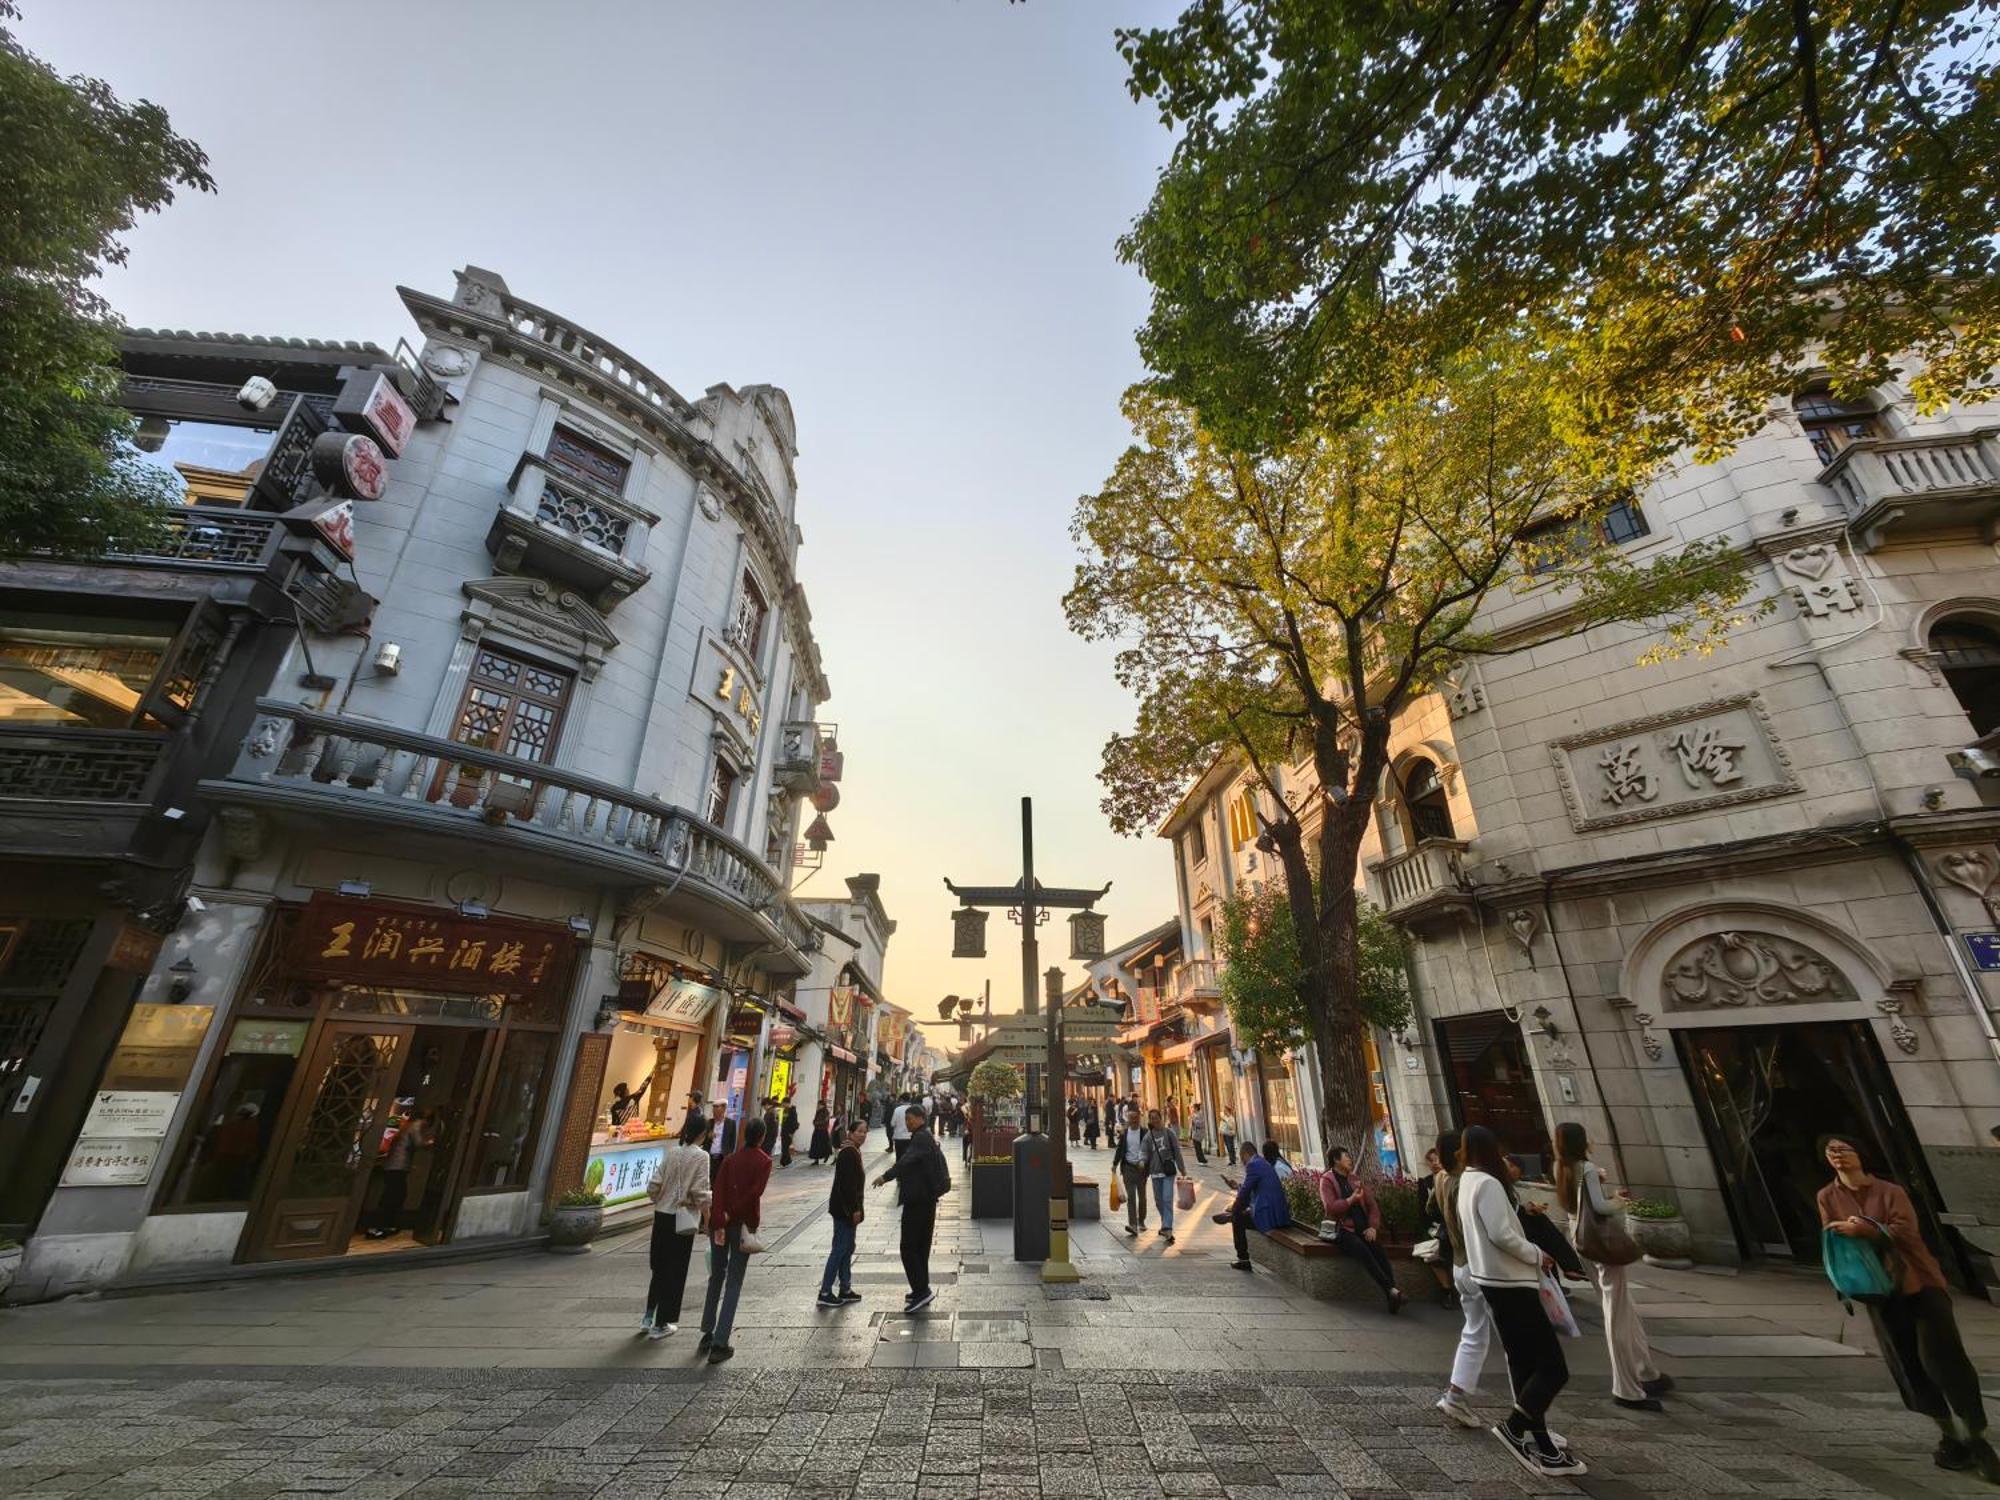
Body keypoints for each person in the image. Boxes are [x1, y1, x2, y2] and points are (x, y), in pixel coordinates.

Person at [1820, 1133, 1998, 1481]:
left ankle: (1977, 1437)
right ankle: (1949, 1434)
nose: (1838, 1155)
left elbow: (1906, 1232)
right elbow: (1829, 1233)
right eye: (1831, 1151)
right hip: (1878, 1289)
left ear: (1861, 1154)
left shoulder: (1890, 1191)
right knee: (1908, 1363)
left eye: (1845, 1149)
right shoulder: (1827, 1195)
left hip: (1920, 1283)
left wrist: (1867, 1230)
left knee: (1944, 1359)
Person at [1458, 1125, 1582, 1479]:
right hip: (1510, 1281)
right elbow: (1500, 1234)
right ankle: (1514, 1428)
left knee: (1525, 1365)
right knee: (1553, 1366)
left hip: (1490, 1281)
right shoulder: (1488, 1183)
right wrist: (1536, 1253)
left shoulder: (1468, 1181)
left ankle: (1543, 1445)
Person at [1555, 1122, 1669, 1414]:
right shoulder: (1586, 1168)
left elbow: (1577, 1203)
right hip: (1601, 1246)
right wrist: (1618, 1200)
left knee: (1621, 1306)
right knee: (1616, 1313)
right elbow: (1600, 1208)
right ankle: (1626, 1388)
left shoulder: (1561, 1168)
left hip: (1581, 1243)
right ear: (1582, 1141)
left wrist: (1597, 1182)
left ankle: (1646, 1371)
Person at [698, 1116, 773, 1365]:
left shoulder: (730, 1159)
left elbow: (717, 1189)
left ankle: (707, 1332)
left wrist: (719, 1216)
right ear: (762, 1137)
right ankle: (720, 1342)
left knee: (716, 1276)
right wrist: (734, 1214)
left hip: (719, 1225)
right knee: (734, 1281)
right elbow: (754, 1194)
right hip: (740, 1225)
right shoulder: (763, 1161)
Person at [640, 1116, 711, 1339]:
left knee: (659, 1267)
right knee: (675, 1269)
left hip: (662, 1215)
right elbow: (701, 1192)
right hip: (682, 1218)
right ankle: (662, 1324)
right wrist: (707, 1220)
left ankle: (648, 1316)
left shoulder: (672, 1152)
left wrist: (660, 1200)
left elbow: (653, 1185)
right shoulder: (702, 1157)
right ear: (703, 1133)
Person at [876, 1104, 951, 1310]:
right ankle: (920, 1288)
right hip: (925, 1198)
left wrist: (886, 1176)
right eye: (906, 1119)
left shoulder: (921, 1138)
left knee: (908, 1247)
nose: (907, 1123)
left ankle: (921, 1291)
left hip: (919, 1200)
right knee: (920, 1247)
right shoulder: (923, 1136)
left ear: (920, 1118)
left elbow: (907, 1161)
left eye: (910, 1119)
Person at [1319, 1146, 1407, 1313]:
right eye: (1346, 1156)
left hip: (1363, 1228)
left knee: (1378, 1250)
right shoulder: (1327, 1180)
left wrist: (1373, 1227)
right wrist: (1351, 1199)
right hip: (1343, 1229)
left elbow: (1372, 1206)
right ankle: (1392, 1290)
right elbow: (1331, 1208)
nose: (1350, 1159)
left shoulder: (1355, 1179)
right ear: (1336, 1160)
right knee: (1361, 1250)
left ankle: (1392, 1293)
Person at [1506, 1154, 1588, 1281]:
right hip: (1511, 1228)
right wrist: (1525, 1210)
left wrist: (1528, 1208)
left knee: (1542, 1226)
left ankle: (1569, 1269)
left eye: (1514, 1167)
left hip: (1516, 1222)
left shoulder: (1507, 1187)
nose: (1510, 1169)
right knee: (1542, 1229)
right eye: (1509, 1165)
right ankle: (1570, 1267)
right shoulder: (1495, 1184)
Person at [816, 1118, 870, 1307]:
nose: (863, 1135)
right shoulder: (848, 1153)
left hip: (845, 1208)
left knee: (847, 1248)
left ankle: (845, 1288)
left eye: (865, 1132)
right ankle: (825, 1291)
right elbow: (848, 1186)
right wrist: (854, 1209)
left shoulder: (852, 1150)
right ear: (850, 1132)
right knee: (840, 1249)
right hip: (844, 1209)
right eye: (859, 1131)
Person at [1216, 1139, 1290, 1269]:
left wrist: (1235, 1210)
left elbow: (1245, 1193)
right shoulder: (1261, 1163)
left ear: (1245, 1154)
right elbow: (1250, 1189)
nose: (1241, 1162)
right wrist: (1237, 1186)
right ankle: (1231, 1216)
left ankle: (1243, 1259)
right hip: (1277, 1213)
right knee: (1240, 1213)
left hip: (1269, 1216)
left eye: (1241, 1157)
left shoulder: (1253, 1165)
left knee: (1238, 1219)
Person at [1416, 1146, 1457, 1307]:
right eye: (1431, 1161)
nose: (1435, 1163)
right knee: (1432, 1253)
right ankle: (1446, 1290)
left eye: (1437, 1159)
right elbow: (1423, 1210)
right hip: (1434, 1227)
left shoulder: (1452, 1179)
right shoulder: (1425, 1182)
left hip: (1451, 1224)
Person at [1140, 1106, 1187, 1244]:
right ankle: (1164, 1223)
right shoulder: (1148, 1136)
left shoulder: (1169, 1133)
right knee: (1159, 1201)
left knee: (1167, 1198)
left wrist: (1182, 1168)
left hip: (1168, 1172)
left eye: (1156, 1118)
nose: (1154, 1120)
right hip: (1155, 1172)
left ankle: (1168, 1227)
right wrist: (1142, 1162)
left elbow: (1177, 1152)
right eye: (1152, 1118)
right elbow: (1143, 1152)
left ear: (1161, 1118)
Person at [1113, 1104, 1151, 1236]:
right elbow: (1120, 1149)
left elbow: (1149, 1151)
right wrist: (1115, 1164)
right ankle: (1133, 1224)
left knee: (1142, 1197)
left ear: (1139, 1118)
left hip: (1141, 1169)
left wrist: (1145, 1163)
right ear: (1127, 1119)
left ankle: (1141, 1221)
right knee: (1131, 1197)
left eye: (1136, 1118)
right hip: (1128, 1168)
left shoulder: (1145, 1133)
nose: (1133, 1120)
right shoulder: (1124, 1133)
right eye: (1131, 1118)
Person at [705, 1100, 737, 1184]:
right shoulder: (709, 1123)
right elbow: (703, 1139)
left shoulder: (731, 1124)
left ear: (723, 1111)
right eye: (714, 1113)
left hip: (722, 1158)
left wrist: (729, 1156)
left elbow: (732, 1142)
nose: (716, 1116)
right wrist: (708, 1136)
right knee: (708, 1180)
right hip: (709, 1157)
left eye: (718, 1113)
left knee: (719, 1181)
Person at [890, 1093, 916, 1162]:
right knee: (909, 1159)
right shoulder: (914, 1110)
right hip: (910, 1137)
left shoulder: (897, 1109)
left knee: (899, 1158)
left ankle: (900, 1172)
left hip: (899, 1138)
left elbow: (892, 1123)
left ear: (902, 1100)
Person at [780, 1098, 800, 1167]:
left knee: (785, 1147)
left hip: (788, 1132)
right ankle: (786, 1162)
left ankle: (785, 1162)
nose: (782, 1104)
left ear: (787, 1103)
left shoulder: (792, 1111)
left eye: (783, 1103)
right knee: (784, 1147)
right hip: (784, 1131)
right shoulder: (785, 1110)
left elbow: (794, 1123)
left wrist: (791, 1132)